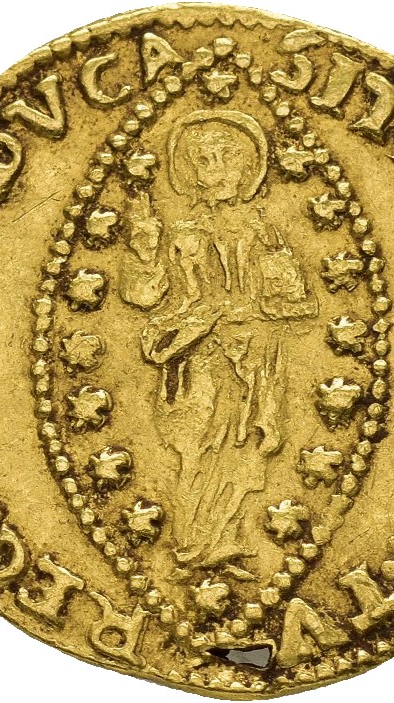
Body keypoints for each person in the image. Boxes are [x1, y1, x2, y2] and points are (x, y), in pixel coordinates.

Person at [119, 110, 318, 577]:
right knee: (200, 450)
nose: (216, 170)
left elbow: (296, 303)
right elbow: (144, 296)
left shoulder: (265, 232)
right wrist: (144, 250)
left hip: (256, 361)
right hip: (201, 360)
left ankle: (225, 541)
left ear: (249, 168)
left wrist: (276, 290)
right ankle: (193, 545)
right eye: (204, 160)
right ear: (190, 172)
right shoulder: (180, 235)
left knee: (245, 452)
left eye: (227, 158)